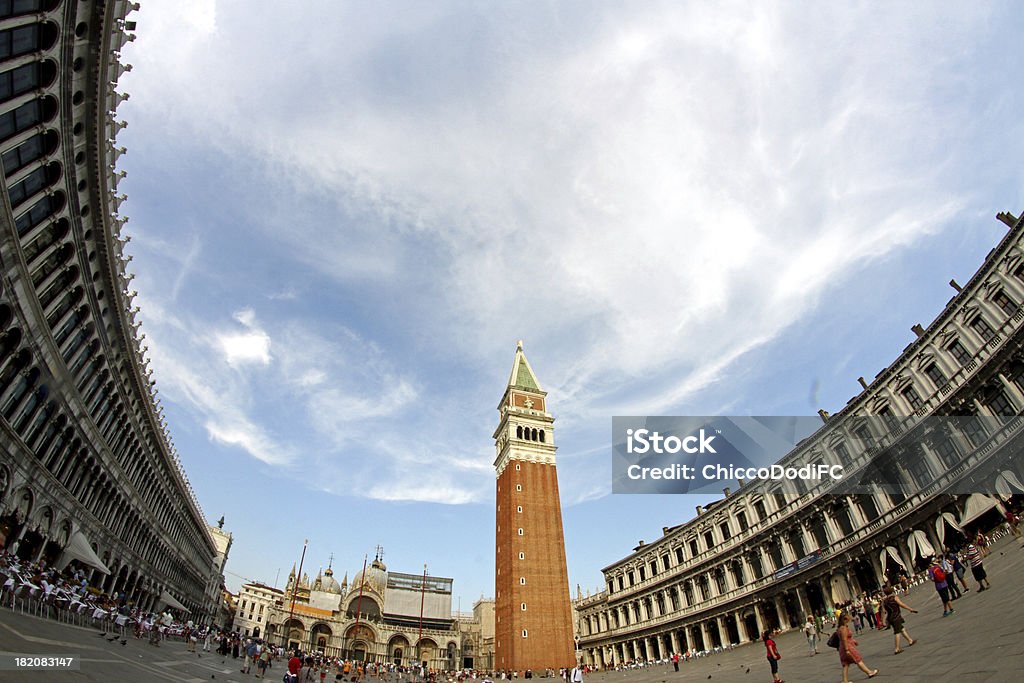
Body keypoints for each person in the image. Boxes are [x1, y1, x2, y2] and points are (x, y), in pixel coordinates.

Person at [836, 612, 878, 682]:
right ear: (845, 619)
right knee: (858, 659)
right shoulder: (843, 628)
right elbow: (844, 639)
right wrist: (847, 649)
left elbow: (845, 638)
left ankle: (845, 681)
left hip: (842, 648)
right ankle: (869, 672)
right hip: (847, 647)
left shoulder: (840, 628)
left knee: (845, 664)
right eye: (848, 616)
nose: (850, 618)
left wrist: (853, 641)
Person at [881, 585, 917, 654]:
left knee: (902, 629)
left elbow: (883, 611)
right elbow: (902, 604)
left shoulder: (884, 601)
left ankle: (910, 640)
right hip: (896, 616)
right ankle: (897, 649)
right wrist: (910, 609)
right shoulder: (894, 598)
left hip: (890, 618)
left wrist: (883, 621)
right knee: (897, 632)